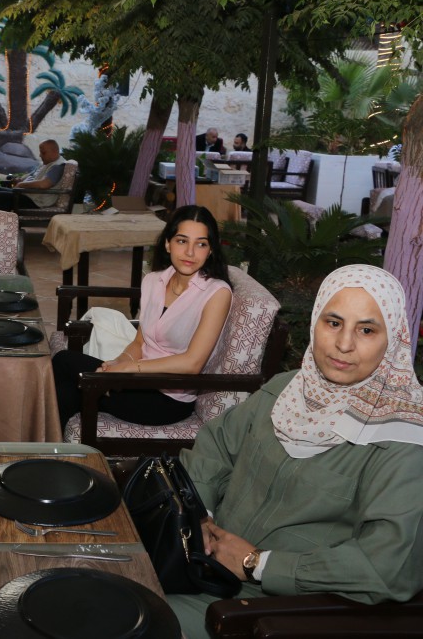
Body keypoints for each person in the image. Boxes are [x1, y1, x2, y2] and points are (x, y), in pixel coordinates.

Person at [168, 264, 423, 639]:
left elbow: (387, 567)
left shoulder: (402, 442)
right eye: (333, 322)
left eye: (367, 330)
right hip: (199, 565)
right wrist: (199, 516)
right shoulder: (287, 389)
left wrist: (258, 564)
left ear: (394, 340)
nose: (344, 344)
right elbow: (216, 447)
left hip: (268, 611)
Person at [52, 205, 233, 429]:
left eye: (201, 244)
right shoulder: (153, 281)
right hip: (137, 380)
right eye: (182, 241)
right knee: (67, 371)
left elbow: (192, 363)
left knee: (67, 370)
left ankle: (52, 443)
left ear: (211, 249)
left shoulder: (217, 293)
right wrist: (119, 362)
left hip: (168, 398)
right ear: (168, 243)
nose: (190, 252)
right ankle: (60, 444)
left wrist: (129, 369)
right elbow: (140, 341)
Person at [0, 139, 67, 211]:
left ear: (54, 152)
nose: (40, 155)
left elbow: (44, 184)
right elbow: (32, 175)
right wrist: (20, 180)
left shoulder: (58, 166)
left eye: (43, 152)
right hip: (28, 194)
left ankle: (0, 221)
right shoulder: (46, 164)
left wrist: (21, 184)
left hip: (36, 202)